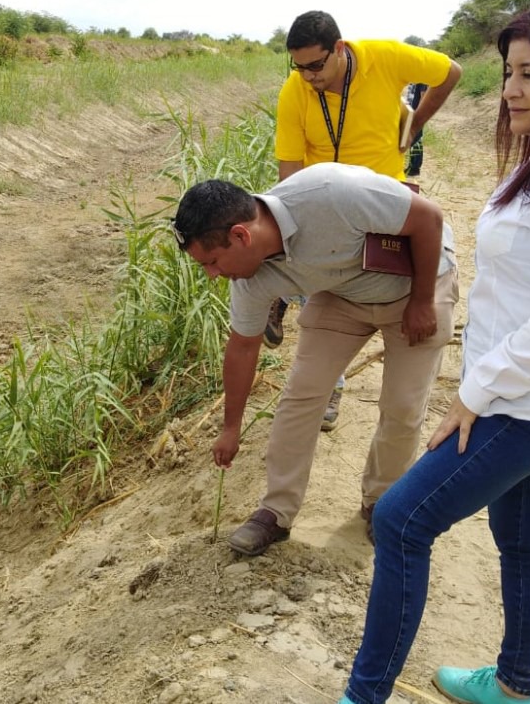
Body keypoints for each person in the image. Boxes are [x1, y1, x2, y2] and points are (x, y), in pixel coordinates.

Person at [339, 0, 530, 704]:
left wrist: (473, 393)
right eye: (507, 71)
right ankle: (514, 686)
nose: (509, 89)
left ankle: (363, 695)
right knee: (521, 539)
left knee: (399, 520)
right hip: (524, 387)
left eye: (529, 73)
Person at [171, 162, 459, 555]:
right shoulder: (249, 280)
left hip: (418, 283)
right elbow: (242, 346)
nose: (211, 275)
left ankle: (381, 503)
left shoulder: (330, 193)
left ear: (240, 235)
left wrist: (423, 301)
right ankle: (276, 511)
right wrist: (231, 427)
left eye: (212, 262)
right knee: (302, 394)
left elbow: (429, 218)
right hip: (342, 294)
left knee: (403, 406)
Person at [264, 11, 462, 432]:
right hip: (328, 206)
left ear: (339, 49)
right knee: (323, 291)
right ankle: (328, 383)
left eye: (316, 66)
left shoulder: (385, 58)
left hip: (384, 200)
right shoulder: (295, 92)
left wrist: (415, 123)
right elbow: (289, 172)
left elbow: (450, 72)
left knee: (396, 290)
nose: (308, 77)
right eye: (298, 68)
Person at [404, 83, 429, 178]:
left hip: (416, 115)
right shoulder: (415, 79)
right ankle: (412, 165)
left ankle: (415, 168)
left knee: (416, 140)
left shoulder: (423, 80)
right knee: (412, 140)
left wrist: (419, 115)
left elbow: (423, 97)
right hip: (411, 113)